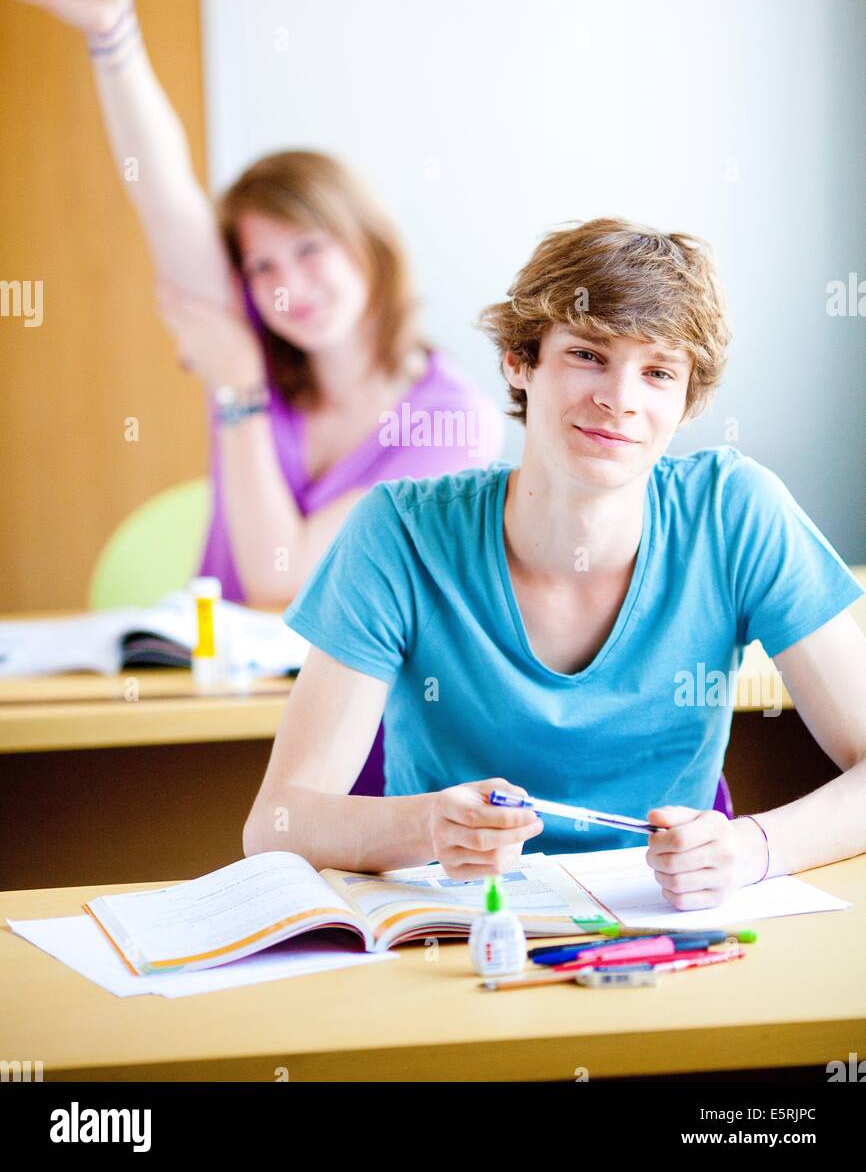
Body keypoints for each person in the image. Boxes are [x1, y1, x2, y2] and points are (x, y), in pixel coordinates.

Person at [6, 0, 504, 792]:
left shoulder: (453, 423)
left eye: (308, 248)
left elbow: (283, 585)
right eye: (260, 266)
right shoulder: (261, 351)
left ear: (366, 243)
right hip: (210, 718)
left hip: (369, 747)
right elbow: (163, 198)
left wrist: (236, 391)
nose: (285, 287)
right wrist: (111, 31)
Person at [242, 218, 866, 907]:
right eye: (589, 355)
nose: (619, 398)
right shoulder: (399, 533)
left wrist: (755, 847)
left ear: (687, 401)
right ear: (520, 359)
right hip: (455, 926)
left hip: (664, 927)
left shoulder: (735, 513)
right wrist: (427, 824)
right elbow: (277, 824)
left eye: (658, 372)